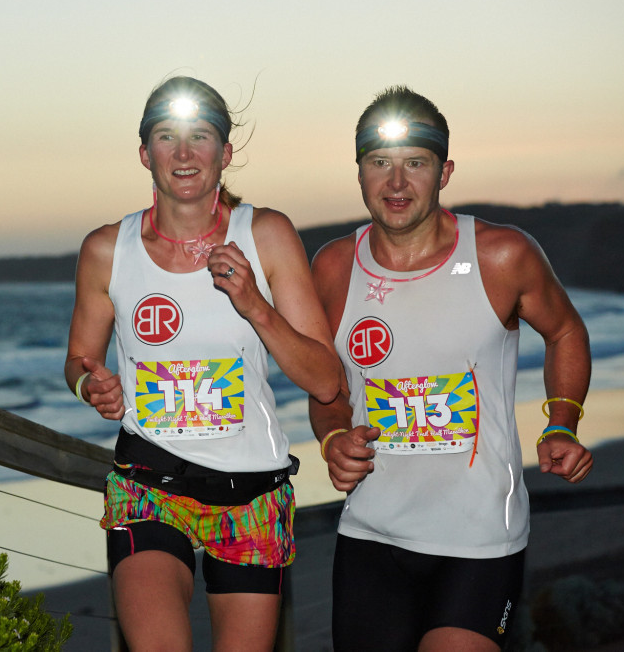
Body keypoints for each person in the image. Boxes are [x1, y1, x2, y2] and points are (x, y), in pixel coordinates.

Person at [309, 85, 594, 652]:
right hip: (371, 534)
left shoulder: (500, 254)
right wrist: (334, 436)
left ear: (444, 171)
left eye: (415, 164)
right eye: (380, 164)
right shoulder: (335, 266)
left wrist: (562, 422)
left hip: (480, 539)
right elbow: (327, 385)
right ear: (360, 172)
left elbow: (565, 330)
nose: (396, 183)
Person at [65, 75, 342, 650]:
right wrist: (91, 386)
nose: (185, 154)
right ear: (146, 153)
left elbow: (325, 378)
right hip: (149, 484)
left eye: (201, 137)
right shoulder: (105, 249)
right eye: (168, 137)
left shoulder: (265, 233)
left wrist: (255, 307)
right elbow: (79, 360)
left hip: (251, 493)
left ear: (226, 154)